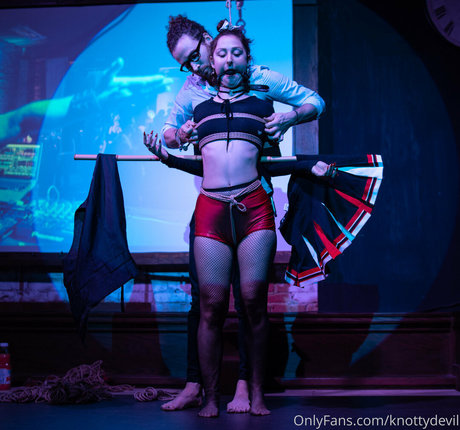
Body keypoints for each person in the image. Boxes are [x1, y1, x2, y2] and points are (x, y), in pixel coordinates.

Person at [158, 15, 326, 414]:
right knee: (205, 302)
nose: (194, 66)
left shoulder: (259, 78)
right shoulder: (192, 90)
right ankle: (197, 386)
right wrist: (178, 136)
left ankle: (245, 388)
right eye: (185, 63)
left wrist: (287, 117)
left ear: (207, 41)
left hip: (254, 199)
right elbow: (168, 132)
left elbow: (314, 102)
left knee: (251, 300)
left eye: (194, 55)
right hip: (212, 204)